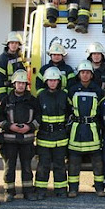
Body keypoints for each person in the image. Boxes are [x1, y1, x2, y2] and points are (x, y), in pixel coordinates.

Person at [0, 70, 41, 202]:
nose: (21, 85)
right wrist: (9, 126)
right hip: (9, 140)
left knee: (27, 166)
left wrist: (30, 127)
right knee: (9, 167)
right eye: (18, 83)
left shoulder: (32, 100)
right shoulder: (6, 100)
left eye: (23, 83)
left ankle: (28, 191)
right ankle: (9, 191)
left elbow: (39, 117)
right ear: (14, 84)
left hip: (26, 140)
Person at [67, 60, 105, 197]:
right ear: (78, 74)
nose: (85, 75)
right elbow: (67, 110)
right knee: (74, 162)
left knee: (97, 162)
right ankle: (73, 189)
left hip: (93, 129)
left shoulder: (98, 90)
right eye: (82, 72)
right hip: (76, 129)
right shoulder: (72, 90)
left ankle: (100, 188)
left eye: (87, 73)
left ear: (91, 74)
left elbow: (102, 111)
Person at [35, 66, 71, 199]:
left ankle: (61, 189)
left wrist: (66, 127)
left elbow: (70, 112)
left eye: (55, 80)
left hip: (60, 136)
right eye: (50, 80)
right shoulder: (41, 96)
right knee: (43, 165)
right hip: (44, 136)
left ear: (59, 82)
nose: (53, 82)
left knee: (60, 164)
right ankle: (40, 190)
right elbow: (37, 114)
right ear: (46, 81)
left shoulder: (64, 96)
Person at [0, 31, 27, 104]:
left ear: (19, 44)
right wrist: (3, 98)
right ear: (8, 44)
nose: (14, 45)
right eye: (12, 43)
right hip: (6, 95)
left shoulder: (20, 58)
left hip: (19, 95)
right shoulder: (1, 60)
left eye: (16, 43)